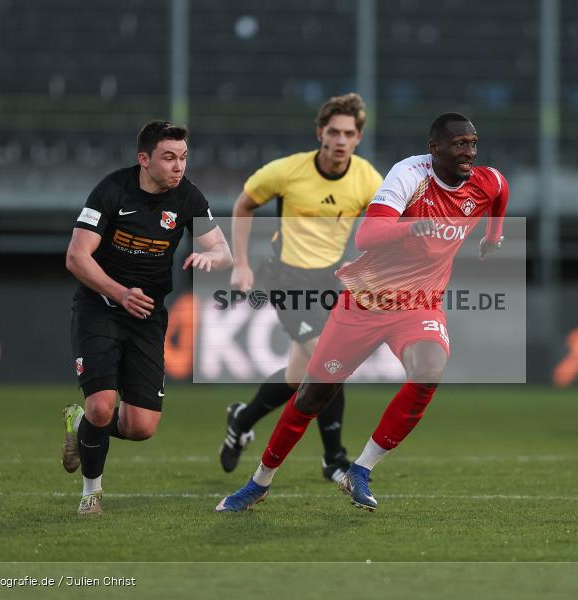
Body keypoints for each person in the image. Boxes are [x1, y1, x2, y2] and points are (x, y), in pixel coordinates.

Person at [216, 112, 508, 513]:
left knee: (428, 370)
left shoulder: (484, 180)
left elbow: (500, 192)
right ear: (434, 148)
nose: (469, 152)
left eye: (473, 143)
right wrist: (413, 227)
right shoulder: (409, 175)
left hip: (418, 304)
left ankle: (361, 469)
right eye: (460, 144)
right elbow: (367, 235)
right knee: (311, 394)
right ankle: (260, 480)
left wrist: (493, 237)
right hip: (365, 302)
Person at [62, 120, 232, 515]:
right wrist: (119, 293)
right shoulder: (112, 190)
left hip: (147, 315)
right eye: (169, 157)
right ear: (144, 159)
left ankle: (80, 423)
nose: (179, 167)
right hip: (100, 307)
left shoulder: (188, 198)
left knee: (142, 428)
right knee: (103, 405)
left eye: (184, 158)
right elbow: (76, 256)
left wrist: (212, 255)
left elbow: (224, 250)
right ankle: (91, 494)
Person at [220, 93, 383, 482]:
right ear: (320, 134)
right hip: (288, 279)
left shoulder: (367, 178)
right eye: (334, 132)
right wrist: (240, 264)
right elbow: (244, 205)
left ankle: (242, 419)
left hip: (330, 280)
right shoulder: (288, 171)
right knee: (331, 363)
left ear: (358, 137)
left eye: (349, 133)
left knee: (299, 376)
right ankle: (334, 459)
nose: (341, 140)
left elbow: (385, 230)